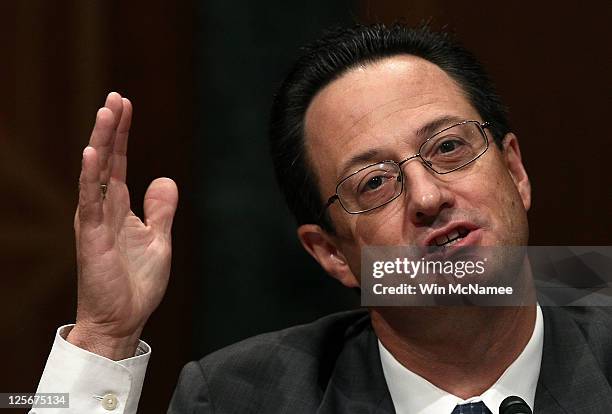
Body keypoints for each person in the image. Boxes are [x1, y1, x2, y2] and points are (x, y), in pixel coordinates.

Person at [32, 24, 612, 414]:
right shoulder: (240, 399)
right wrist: (103, 339)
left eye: (448, 148)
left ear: (515, 171)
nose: (428, 196)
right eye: (376, 182)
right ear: (332, 253)